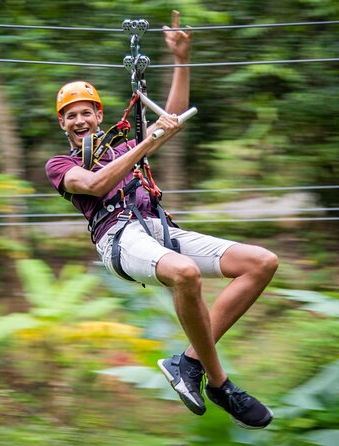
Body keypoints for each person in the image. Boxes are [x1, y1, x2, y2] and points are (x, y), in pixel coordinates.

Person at [45, 11, 278, 429]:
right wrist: (146, 143)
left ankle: (188, 363)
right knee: (185, 273)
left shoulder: (125, 148)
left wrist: (182, 60)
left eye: (87, 113)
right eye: (71, 116)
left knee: (261, 262)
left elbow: (171, 117)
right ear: (62, 124)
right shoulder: (60, 164)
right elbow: (96, 185)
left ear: (99, 116)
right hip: (118, 239)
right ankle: (220, 383)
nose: (80, 120)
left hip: (160, 229)